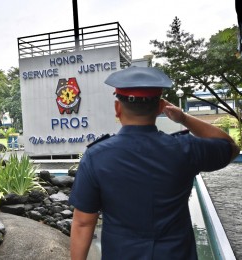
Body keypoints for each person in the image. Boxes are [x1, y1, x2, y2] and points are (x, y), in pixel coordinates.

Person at [69, 66, 240, 260]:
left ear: (118, 109)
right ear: (160, 108)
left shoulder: (96, 156)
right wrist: (183, 118)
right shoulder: (186, 149)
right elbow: (230, 147)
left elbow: (83, 223)